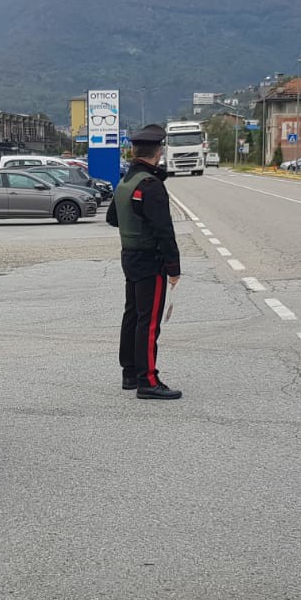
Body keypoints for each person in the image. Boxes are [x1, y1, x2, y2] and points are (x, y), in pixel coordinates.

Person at [105, 124, 182, 400]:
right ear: (158, 152)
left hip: (130, 256)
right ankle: (148, 380)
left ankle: (130, 372)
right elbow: (164, 230)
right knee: (149, 322)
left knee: (132, 315)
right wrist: (174, 267)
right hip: (151, 260)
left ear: (135, 151)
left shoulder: (126, 182)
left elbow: (112, 218)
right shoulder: (151, 185)